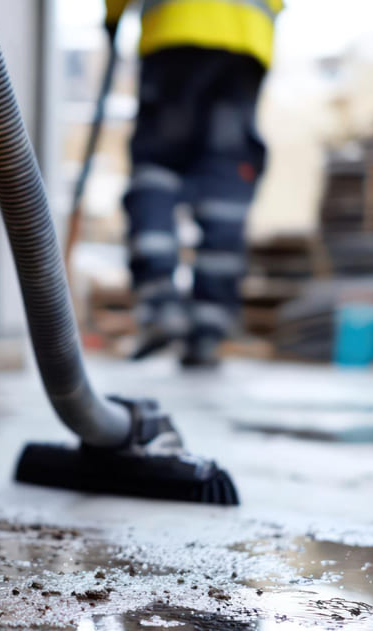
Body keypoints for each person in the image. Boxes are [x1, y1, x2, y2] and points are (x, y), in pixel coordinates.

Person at [105, 0, 283, 367]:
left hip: (177, 31)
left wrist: (112, 18)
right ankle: (208, 327)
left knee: (157, 169)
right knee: (225, 185)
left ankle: (159, 306)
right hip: (246, 42)